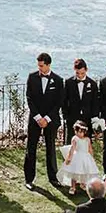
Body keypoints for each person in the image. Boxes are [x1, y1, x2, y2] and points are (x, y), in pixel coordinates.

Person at [24, 52, 64, 190]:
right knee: (31, 148)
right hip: (35, 119)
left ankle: (53, 178)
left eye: (42, 66)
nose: (39, 68)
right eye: (38, 66)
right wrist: (38, 117)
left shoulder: (58, 80)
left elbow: (59, 102)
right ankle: (29, 179)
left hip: (50, 120)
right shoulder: (32, 77)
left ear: (48, 65)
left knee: (51, 148)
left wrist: (47, 118)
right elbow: (29, 97)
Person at [59, 122, 101, 191]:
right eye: (77, 132)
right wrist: (69, 158)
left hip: (86, 157)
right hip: (77, 157)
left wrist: (92, 157)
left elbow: (90, 149)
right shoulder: (75, 139)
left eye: (81, 132)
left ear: (85, 132)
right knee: (75, 172)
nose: (79, 134)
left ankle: (83, 183)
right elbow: (72, 149)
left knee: (84, 171)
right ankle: (73, 186)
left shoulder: (87, 139)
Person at [64, 58, 97, 141]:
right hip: (72, 119)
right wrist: (66, 117)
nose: (80, 75)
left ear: (86, 70)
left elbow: (95, 103)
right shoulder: (68, 82)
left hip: (87, 119)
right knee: (71, 143)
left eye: (82, 73)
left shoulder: (93, 84)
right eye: (77, 73)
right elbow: (64, 101)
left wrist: (94, 119)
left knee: (86, 144)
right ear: (74, 70)